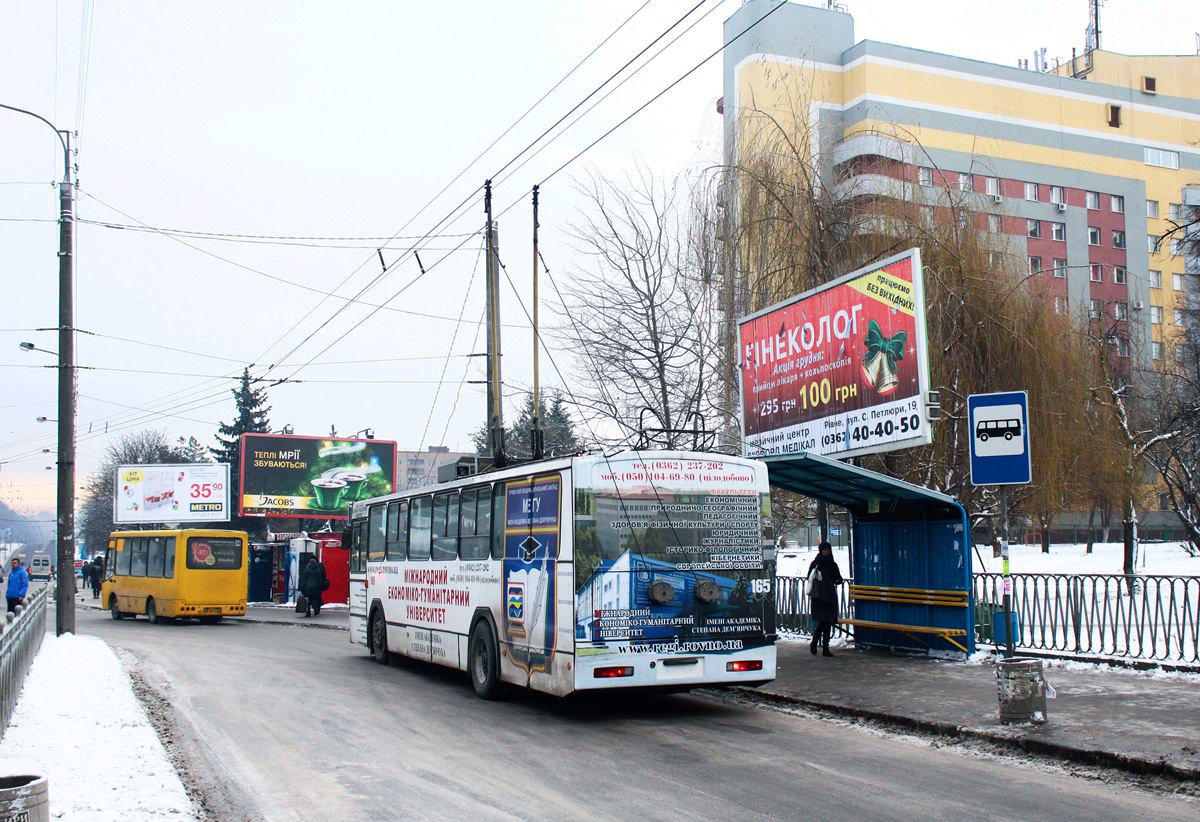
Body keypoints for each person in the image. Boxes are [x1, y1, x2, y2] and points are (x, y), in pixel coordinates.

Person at [807, 541, 844, 657]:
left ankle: (823, 646)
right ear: (821, 551)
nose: (827, 552)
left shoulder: (831, 563)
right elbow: (810, 577)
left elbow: (838, 578)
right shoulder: (817, 564)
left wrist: (836, 580)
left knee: (827, 622)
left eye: (828, 550)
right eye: (825, 550)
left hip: (828, 595)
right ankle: (819, 644)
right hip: (820, 596)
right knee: (825, 620)